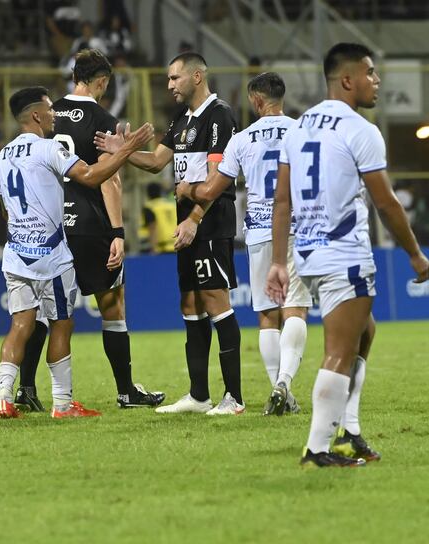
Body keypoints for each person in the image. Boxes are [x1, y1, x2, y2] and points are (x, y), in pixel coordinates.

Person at [265, 43, 429, 467]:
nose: (377, 80)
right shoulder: (360, 129)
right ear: (347, 80)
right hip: (344, 253)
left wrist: (280, 262)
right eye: (371, 73)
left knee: (365, 332)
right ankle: (320, 448)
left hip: (307, 252)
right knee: (338, 350)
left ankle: (350, 430)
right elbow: (387, 203)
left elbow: (280, 201)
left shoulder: (298, 126)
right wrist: (414, 255)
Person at [14, 49, 165, 412]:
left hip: (50, 227)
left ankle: (27, 390)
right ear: (101, 82)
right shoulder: (100, 116)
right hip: (89, 224)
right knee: (112, 305)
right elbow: (109, 181)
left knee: (41, 313)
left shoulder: (47, 116)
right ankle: (127, 391)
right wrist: (117, 232)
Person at [96, 51, 244, 416]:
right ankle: (198, 395)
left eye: (174, 78)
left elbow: (213, 183)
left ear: (196, 76)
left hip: (209, 225)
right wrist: (125, 152)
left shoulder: (219, 116)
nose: (169, 85)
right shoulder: (182, 119)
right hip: (187, 229)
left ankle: (235, 398)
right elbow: (156, 162)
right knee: (190, 305)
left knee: (215, 302)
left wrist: (193, 215)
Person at [175, 72, 310, 416]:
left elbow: (209, 190)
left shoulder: (242, 139)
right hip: (300, 228)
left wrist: (186, 189)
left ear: (256, 99)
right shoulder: (303, 131)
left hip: (260, 230)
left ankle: (279, 391)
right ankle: (285, 384)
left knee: (268, 315)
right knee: (295, 308)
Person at [140, 181, 176, 254]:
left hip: (161, 249)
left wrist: (153, 248)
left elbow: (152, 227)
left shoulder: (149, 207)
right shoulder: (171, 205)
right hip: (176, 246)